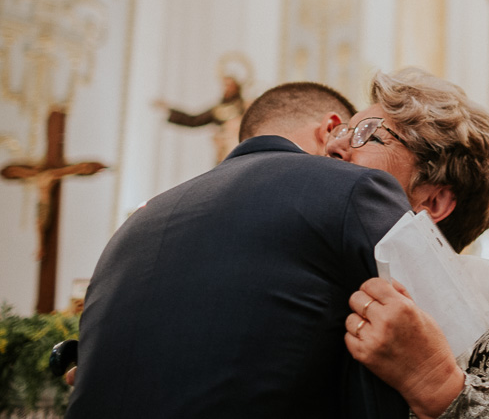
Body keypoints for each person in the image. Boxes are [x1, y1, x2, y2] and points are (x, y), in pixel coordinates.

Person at [68, 81, 416, 419]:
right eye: (348, 137)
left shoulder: (134, 225)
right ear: (331, 128)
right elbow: (434, 336)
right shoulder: (351, 187)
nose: (347, 153)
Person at [327, 68, 489, 419]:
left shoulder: (486, 294)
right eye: (343, 131)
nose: (334, 145)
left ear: (433, 203)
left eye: (368, 135)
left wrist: (434, 382)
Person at [153, 73, 247, 162]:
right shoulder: (218, 110)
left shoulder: (245, 106)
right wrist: (169, 109)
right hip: (223, 151)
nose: (226, 88)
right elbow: (194, 120)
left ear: (237, 86)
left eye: (230, 85)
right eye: (224, 85)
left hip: (240, 148)